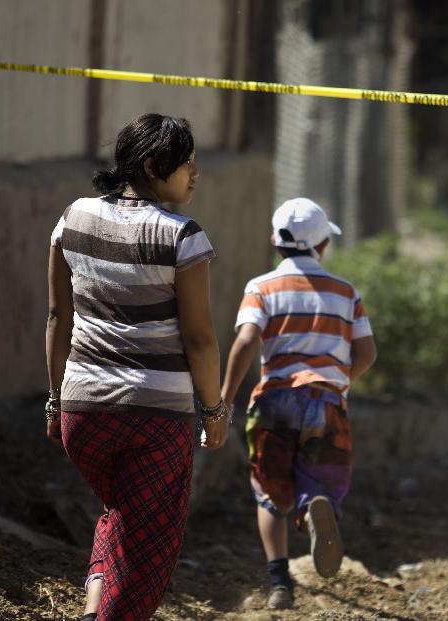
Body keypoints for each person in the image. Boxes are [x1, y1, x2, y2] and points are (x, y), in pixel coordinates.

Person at [45, 113, 230, 621]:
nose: (195, 175)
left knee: (120, 515)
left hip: (83, 414)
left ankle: (91, 610)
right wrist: (213, 410)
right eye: (186, 164)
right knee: (147, 557)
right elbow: (200, 338)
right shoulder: (180, 236)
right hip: (155, 421)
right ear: (152, 165)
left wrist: (56, 400)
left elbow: (59, 316)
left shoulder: (73, 218)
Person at [221, 198, 377, 609]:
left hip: (275, 397)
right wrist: (338, 382)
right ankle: (316, 507)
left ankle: (279, 582)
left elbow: (246, 341)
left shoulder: (260, 288)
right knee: (319, 477)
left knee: (269, 491)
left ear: (275, 242)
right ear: (322, 246)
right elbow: (367, 353)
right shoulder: (346, 292)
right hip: (325, 398)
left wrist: (223, 400)